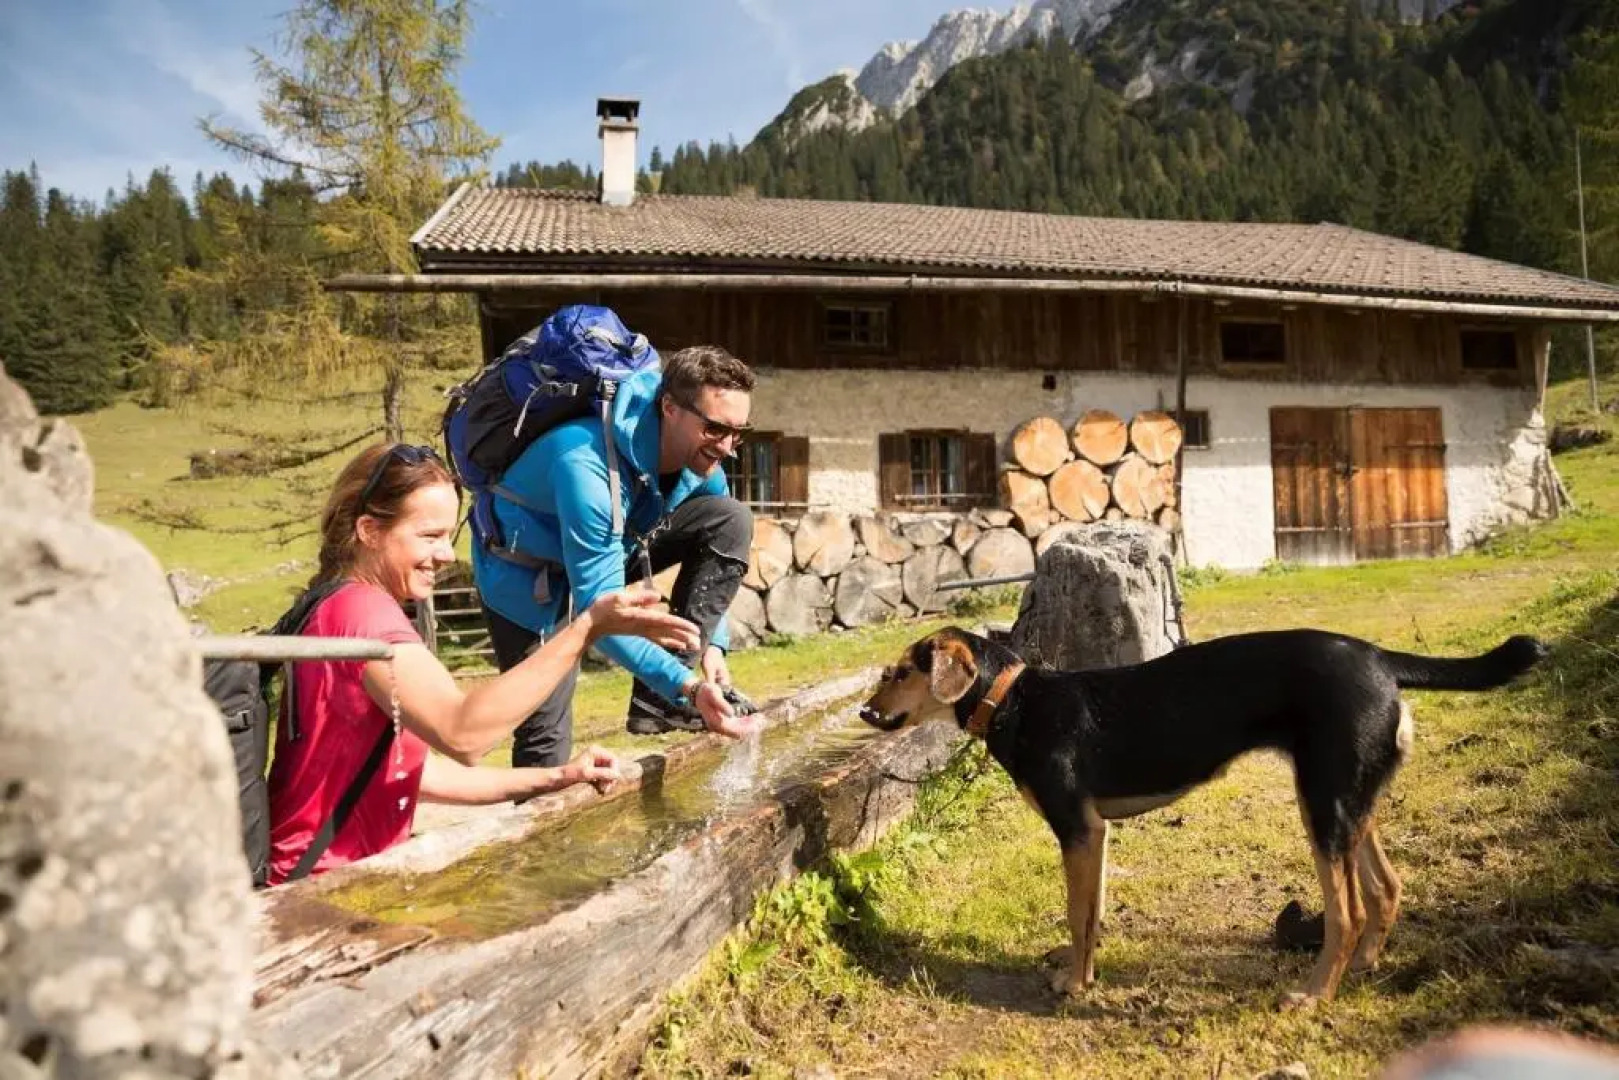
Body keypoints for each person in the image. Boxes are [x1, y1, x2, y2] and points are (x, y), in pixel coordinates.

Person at [264, 442, 701, 885]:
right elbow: (463, 733)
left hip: (318, 878)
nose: (446, 555)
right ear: (369, 531)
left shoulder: (334, 606)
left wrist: (556, 776)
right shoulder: (365, 615)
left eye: (449, 537)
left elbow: (410, 775)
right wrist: (585, 629)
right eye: (429, 536)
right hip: (321, 889)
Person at [471, 344, 765, 768]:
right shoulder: (586, 467)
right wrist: (686, 685)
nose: (728, 446)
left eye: (739, 432)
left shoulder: (703, 465)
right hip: (526, 578)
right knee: (546, 735)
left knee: (731, 518)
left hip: (607, 549)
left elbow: (716, 553)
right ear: (670, 408)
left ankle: (659, 703)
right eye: (716, 429)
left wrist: (712, 648)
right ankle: (672, 695)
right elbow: (602, 617)